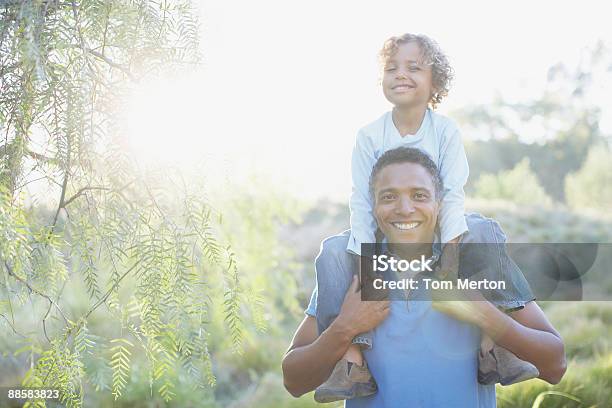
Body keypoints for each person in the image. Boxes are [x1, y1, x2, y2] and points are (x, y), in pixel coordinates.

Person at [311, 33, 534, 402]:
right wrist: (368, 268)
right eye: (391, 67)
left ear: (435, 83)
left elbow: (453, 194)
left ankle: (494, 346)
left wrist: (448, 264)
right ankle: (351, 359)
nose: (401, 74)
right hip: (380, 235)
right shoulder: (369, 135)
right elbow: (362, 202)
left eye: (414, 67)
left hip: (442, 230)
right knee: (334, 251)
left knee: (483, 229)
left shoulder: (444, 131)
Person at [282, 147, 567, 407]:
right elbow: (294, 381)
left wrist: (484, 314)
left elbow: (555, 365)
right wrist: (344, 327)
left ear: (440, 203)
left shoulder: (475, 260)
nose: (405, 209)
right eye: (389, 196)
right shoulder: (350, 267)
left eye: (419, 195)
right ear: (372, 206)